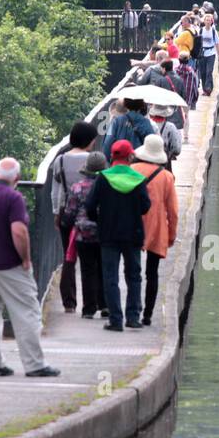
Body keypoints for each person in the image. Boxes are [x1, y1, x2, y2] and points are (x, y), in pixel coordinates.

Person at [0, 157, 61, 377]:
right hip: (9, 264)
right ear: (16, 178)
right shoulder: (14, 198)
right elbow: (18, 231)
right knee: (26, 312)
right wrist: (25, 258)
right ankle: (34, 364)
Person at [85, 140, 151, 332]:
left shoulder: (103, 178)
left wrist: (99, 220)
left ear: (112, 157)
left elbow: (90, 206)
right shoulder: (138, 179)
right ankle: (133, 318)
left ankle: (115, 320)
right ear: (130, 156)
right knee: (134, 276)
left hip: (109, 234)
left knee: (110, 276)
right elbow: (146, 206)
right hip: (133, 233)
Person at [132, 135, 178, 328]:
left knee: (132, 271)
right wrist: (171, 234)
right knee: (152, 273)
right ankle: (148, 314)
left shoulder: (132, 171)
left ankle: (132, 310)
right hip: (156, 226)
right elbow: (173, 211)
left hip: (132, 224)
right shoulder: (166, 177)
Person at [52, 121, 96, 313]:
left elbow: (56, 191)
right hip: (90, 212)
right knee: (92, 258)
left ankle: (69, 302)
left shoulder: (60, 160)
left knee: (68, 256)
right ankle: (93, 302)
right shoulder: (94, 159)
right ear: (88, 140)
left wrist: (56, 213)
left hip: (67, 213)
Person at [65, 151, 108, 319]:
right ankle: (105, 305)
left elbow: (70, 212)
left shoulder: (77, 187)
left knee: (87, 269)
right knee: (104, 269)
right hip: (105, 233)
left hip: (84, 234)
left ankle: (88, 308)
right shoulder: (109, 187)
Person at [147, 104, 182, 170]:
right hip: (164, 164)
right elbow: (177, 150)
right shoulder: (170, 127)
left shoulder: (147, 124)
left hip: (147, 162)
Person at [199, 13, 218, 95]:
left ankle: (208, 89)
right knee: (203, 72)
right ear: (204, 21)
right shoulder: (201, 30)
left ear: (211, 22)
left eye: (209, 20)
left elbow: (217, 43)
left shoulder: (213, 31)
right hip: (202, 53)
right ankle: (205, 89)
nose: (208, 22)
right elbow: (197, 42)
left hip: (211, 53)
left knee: (209, 71)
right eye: (206, 20)